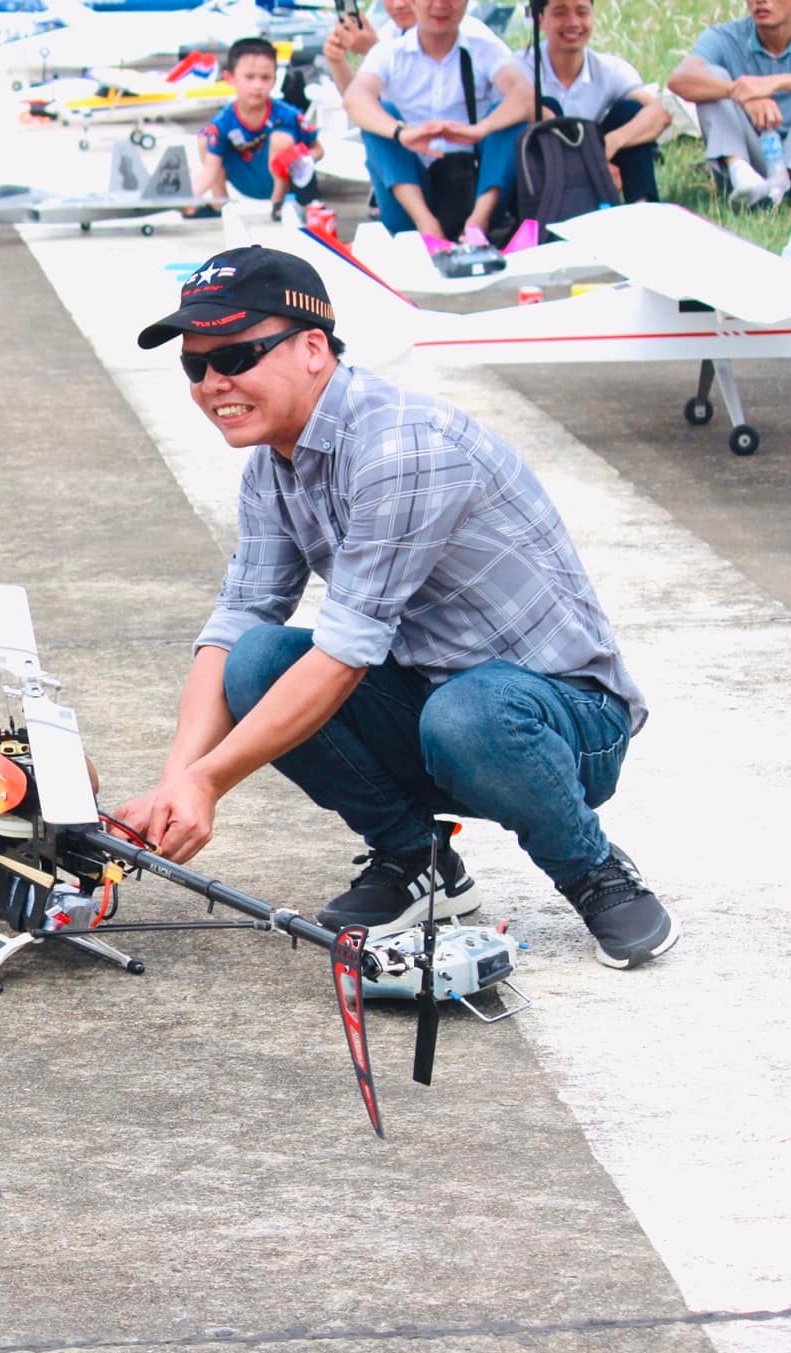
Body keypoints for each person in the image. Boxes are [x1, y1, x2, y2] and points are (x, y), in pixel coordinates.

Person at [113, 245, 678, 969]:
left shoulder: (402, 447)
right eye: (197, 365)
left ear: (313, 347)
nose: (214, 382)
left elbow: (348, 650)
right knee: (256, 662)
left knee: (469, 713)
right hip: (434, 700)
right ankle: (420, 862)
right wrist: (176, 781)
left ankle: (593, 871)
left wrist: (210, 782)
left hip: (564, 720)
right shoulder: (274, 465)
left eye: (239, 356)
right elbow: (238, 620)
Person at [342, 0, 535, 240]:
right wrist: (402, 133)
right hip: (409, 197)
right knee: (379, 121)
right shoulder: (389, 52)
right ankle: (427, 226)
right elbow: (354, 99)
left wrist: (480, 129)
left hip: (472, 188)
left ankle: (478, 224)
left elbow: (526, 96)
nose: (441, 5)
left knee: (509, 118)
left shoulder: (484, 48)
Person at [668, 0, 791, 205]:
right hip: (754, 164)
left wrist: (775, 83)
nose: (761, 1)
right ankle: (741, 174)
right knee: (710, 77)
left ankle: (780, 184)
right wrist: (739, 93)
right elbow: (680, 79)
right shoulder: (724, 37)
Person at [523, 0, 669, 203]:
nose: (573, 22)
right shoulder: (519, 69)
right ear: (540, 19)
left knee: (631, 112)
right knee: (544, 108)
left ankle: (642, 210)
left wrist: (611, 144)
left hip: (602, 167)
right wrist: (592, 163)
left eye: (582, 12)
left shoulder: (610, 69)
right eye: (560, 13)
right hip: (545, 176)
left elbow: (659, 114)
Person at [195, 38, 325, 219]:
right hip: (244, 177)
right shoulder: (223, 121)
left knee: (282, 138)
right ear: (229, 78)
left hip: (283, 180)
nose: (257, 86)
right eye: (249, 77)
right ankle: (220, 205)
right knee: (205, 137)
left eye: (265, 78)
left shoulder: (288, 115)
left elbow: (318, 148)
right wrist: (188, 198)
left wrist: (301, 159)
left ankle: (278, 204)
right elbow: (210, 169)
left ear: (274, 80)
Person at [323, 0, 497, 95]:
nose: (398, 4)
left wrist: (374, 50)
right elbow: (358, 100)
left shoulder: (470, 33)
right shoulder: (390, 33)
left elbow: (427, 102)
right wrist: (336, 60)